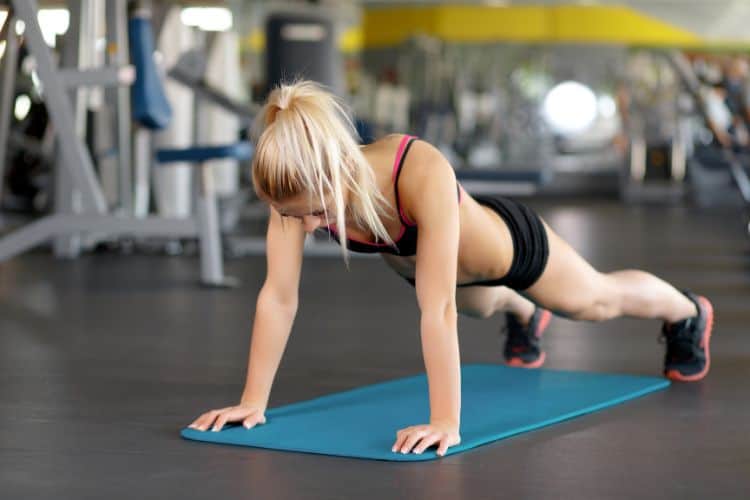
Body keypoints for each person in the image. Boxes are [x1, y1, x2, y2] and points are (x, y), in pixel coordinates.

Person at [188, 80, 713, 457]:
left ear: (336, 175)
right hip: (445, 273)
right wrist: (252, 402)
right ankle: (520, 312)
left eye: (317, 215)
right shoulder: (294, 197)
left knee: (594, 302)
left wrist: (445, 421)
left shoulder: (416, 170)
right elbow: (279, 297)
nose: (307, 229)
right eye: (295, 218)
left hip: (508, 248)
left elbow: (436, 310)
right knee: (480, 304)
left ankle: (686, 311)